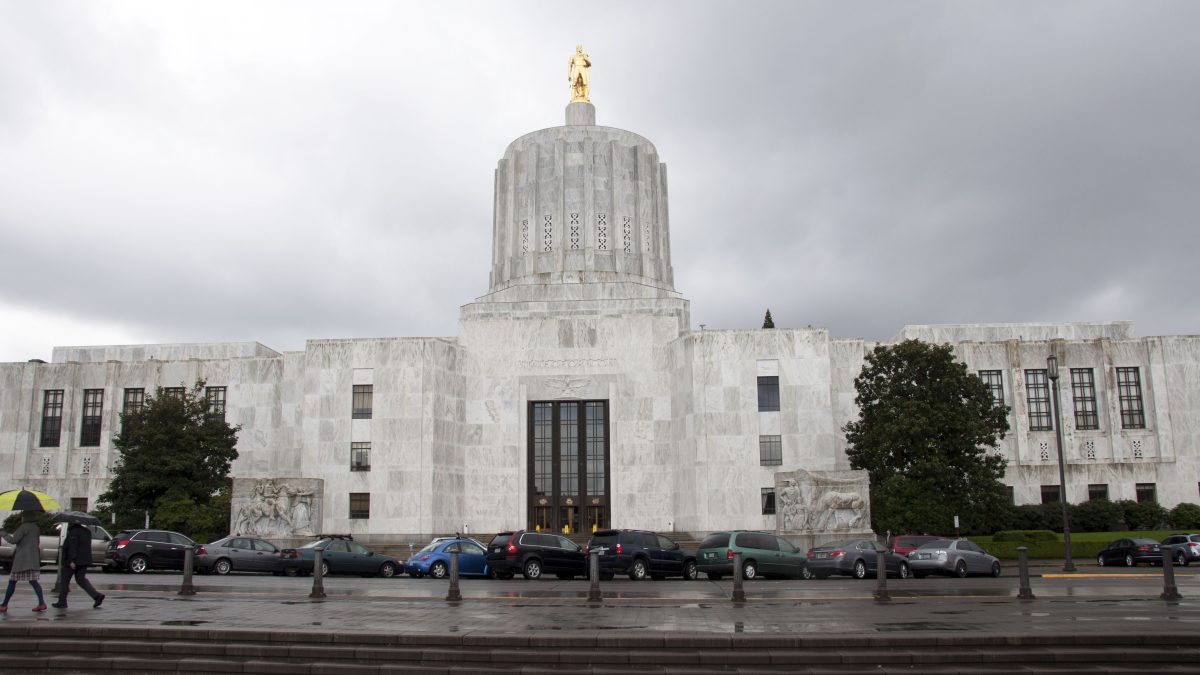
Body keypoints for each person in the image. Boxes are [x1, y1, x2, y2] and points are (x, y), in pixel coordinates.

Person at [0, 510, 48, 612]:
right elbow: (37, 542)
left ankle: (4, 605)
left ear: (25, 517)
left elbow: (13, 540)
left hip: (22, 560)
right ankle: (41, 603)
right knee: (34, 581)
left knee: (12, 581)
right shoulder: (36, 528)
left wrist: (3, 533)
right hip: (33, 559)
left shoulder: (23, 528)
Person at [52, 521, 104, 609]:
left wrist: (71, 560)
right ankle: (96, 596)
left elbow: (73, 546)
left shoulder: (74, 532)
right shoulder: (87, 531)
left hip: (73, 561)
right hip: (84, 560)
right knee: (81, 580)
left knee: (65, 581)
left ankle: (62, 602)